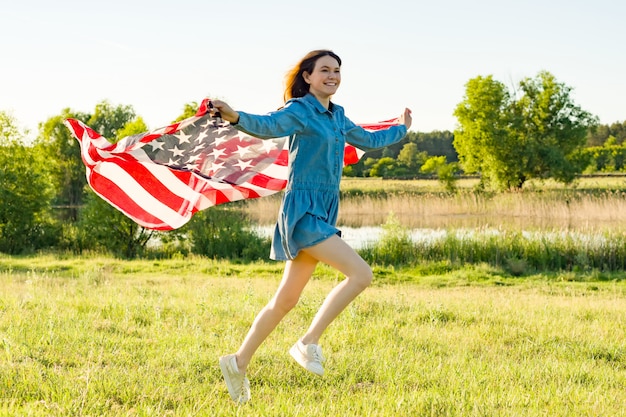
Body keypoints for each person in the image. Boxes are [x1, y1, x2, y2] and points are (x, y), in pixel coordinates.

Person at [210, 49, 412, 403]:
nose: (332, 76)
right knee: (361, 275)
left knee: (285, 300)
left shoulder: (338, 117)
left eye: (337, 71)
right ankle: (307, 342)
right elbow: (267, 126)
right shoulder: (299, 110)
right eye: (324, 70)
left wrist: (402, 129)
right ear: (307, 77)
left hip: (324, 210)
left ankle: (238, 362)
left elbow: (369, 139)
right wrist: (235, 115)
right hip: (303, 211)